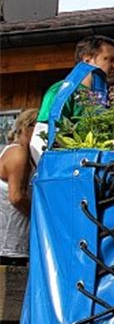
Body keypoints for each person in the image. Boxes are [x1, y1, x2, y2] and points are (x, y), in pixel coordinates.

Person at [30, 35, 114, 162]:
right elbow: (41, 135)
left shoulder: (101, 97)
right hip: (70, 173)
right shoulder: (63, 90)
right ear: (87, 60)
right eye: (110, 59)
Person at [0, 109, 39, 267]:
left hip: (14, 244)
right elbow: (16, 197)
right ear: (28, 128)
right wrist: (40, 217)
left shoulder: (23, 152)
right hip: (7, 246)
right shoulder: (18, 154)